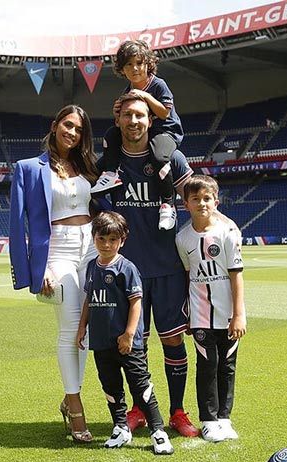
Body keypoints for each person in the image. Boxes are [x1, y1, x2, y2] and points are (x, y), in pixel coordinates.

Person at [96, 92, 199, 438]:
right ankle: (139, 409)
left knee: (173, 342)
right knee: (132, 347)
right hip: (127, 275)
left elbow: (199, 200)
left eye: (140, 115)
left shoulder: (174, 159)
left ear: (150, 120)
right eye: (128, 115)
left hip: (168, 269)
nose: (134, 121)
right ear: (118, 120)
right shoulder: (109, 166)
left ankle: (178, 412)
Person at [9, 104, 98, 443]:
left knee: (88, 329)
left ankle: (69, 395)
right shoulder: (29, 168)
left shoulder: (89, 165)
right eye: (68, 125)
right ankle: (76, 407)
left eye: (79, 129)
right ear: (55, 124)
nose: (72, 132)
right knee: (70, 326)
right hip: (56, 252)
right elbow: (18, 225)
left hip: (91, 247)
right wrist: (36, 268)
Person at [76, 211, 174, 455]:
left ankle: (158, 431)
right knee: (110, 387)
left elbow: (136, 302)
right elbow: (89, 299)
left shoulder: (126, 268)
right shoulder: (91, 267)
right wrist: (82, 327)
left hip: (128, 343)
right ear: (94, 238)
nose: (107, 244)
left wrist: (129, 334)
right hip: (101, 341)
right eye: (102, 239)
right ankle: (120, 428)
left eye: (113, 239)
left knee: (141, 387)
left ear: (122, 240)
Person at [175, 174, 247, 442]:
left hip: (228, 315)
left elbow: (236, 275)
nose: (202, 203)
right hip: (200, 315)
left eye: (207, 199)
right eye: (196, 199)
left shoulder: (228, 233)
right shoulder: (182, 239)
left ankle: (224, 419)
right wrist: (188, 315)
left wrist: (239, 315)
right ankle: (208, 420)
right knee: (207, 365)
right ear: (186, 204)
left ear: (216, 201)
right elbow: (187, 276)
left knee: (227, 366)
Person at [90, 40, 184, 231]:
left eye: (139, 63)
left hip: (166, 132)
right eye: (129, 64)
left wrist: (145, 97)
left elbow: (164, 113)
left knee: (159, 157)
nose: (135, 68)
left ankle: (167, 204)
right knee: (111, 134)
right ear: (121, 69)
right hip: (145, 134)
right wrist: (117, 110)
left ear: (148, 64)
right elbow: (125, 117)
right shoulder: (127, 91)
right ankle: (110, 173)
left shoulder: (158, 84)